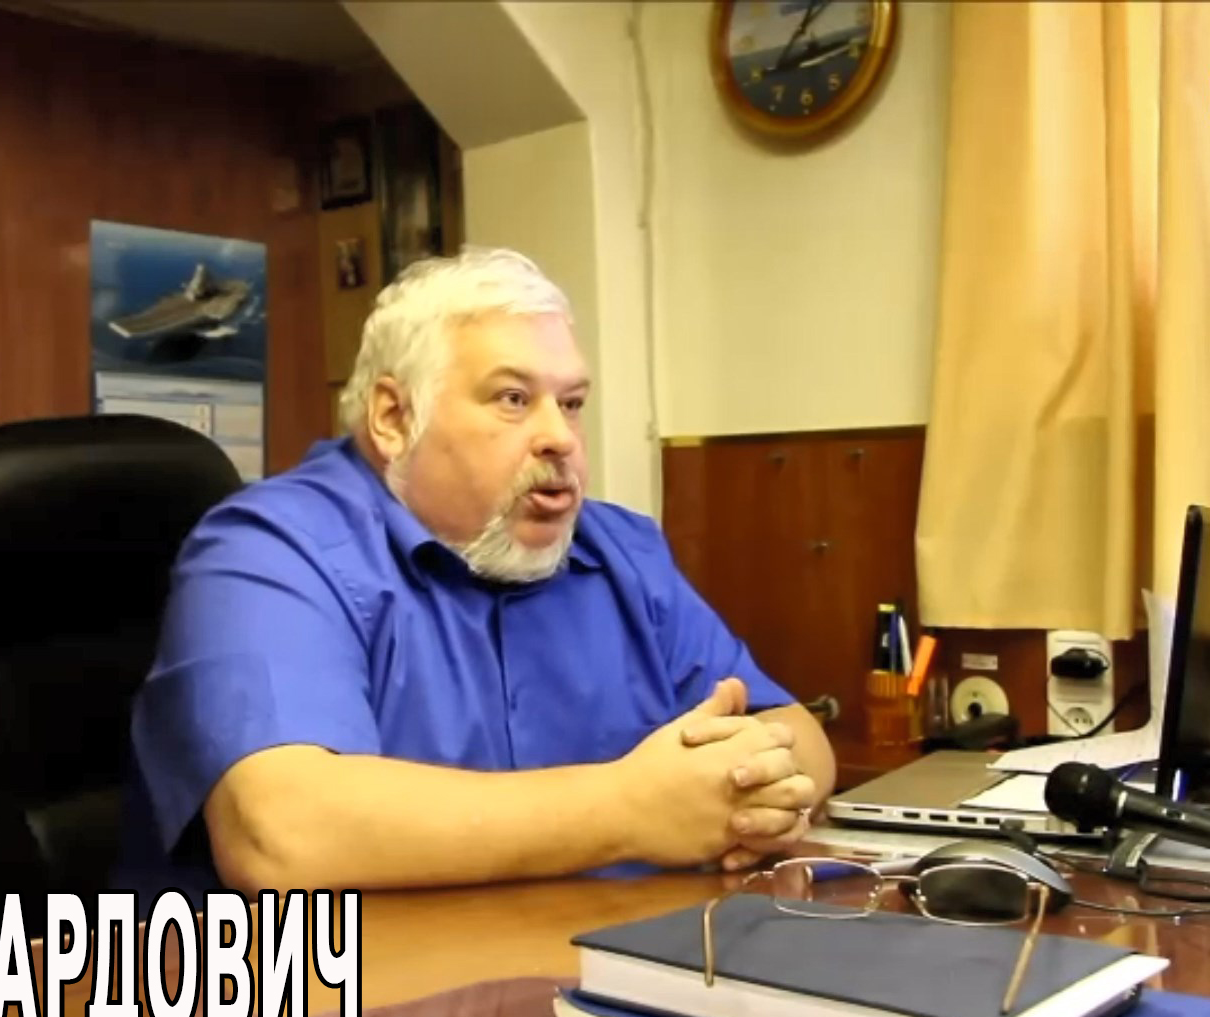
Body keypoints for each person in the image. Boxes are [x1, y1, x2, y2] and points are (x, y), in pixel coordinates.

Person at [119, 247, 837, 897]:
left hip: (591, 959)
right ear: (394, 417)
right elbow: (281, 833)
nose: (559, 437)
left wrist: (755, 795)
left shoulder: (622, 549)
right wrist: (630, 811)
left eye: (572, 404)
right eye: (513, 399)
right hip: (342, 987)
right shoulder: (271, 549)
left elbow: (791, 732)